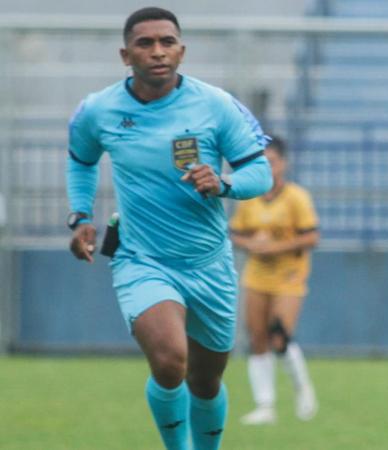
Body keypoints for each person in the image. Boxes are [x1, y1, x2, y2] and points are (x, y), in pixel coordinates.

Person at [66, 7, 272, 450]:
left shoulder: (215, 104)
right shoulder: (98, 110)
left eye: (166, 42)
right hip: (142, 257)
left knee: (205, 381)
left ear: (181, 51)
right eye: (145, 43)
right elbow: (81, 159)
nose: (157, 52)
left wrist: (224, 183)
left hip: (209, 262)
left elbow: (260, 173)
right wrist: (81, 217)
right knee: (169, 362)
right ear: (126, 55)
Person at [229, 136, 320, 424]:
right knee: (257, 337)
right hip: (257, 274)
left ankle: (302, 388)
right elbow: (235, 233)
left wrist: (274, 247)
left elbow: (311, 236)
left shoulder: (296, 197)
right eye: (263, 163)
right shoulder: (250, 198)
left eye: (273, 162)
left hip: (289, 275)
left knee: (279, 335)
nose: (268, 168)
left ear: (283, 163)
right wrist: (252, 244)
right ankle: (265, 405)